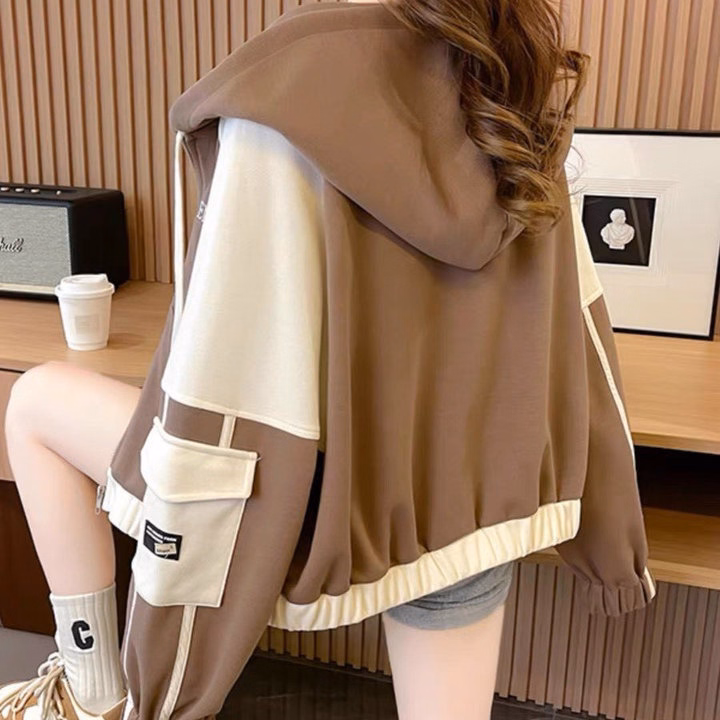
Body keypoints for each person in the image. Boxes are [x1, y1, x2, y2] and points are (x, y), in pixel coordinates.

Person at [2, 1, 656, 719]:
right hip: (470, 502)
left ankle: (92, 696)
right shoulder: (507, 72)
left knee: (33, 404)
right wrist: (613, 545)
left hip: (311, 501)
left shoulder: (281, 89)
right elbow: (575, 327)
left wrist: (166, 689)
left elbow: (236, 381)